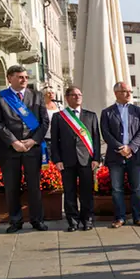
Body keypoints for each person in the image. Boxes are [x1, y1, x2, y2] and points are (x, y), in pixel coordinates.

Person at [0, 65, 50, 233]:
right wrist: (14, 142)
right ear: (9, 78)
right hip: (10, 149)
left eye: (25, 77)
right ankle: (15, 221)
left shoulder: (36, 95)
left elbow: (44, 121)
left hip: (32, 148)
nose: (24, 80)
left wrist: (33, 140)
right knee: (12, 187)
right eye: (20, 77)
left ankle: (37, 219)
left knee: (34, 186)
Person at [51, 86, 100, 232]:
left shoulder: (90, 116)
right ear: (67, 98)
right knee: (69, 191)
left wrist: (96, 158)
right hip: (67, 160)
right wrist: (57, 160)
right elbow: (55, 141)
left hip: (86, 160)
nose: (77, 97)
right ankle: (72, 221)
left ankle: (87, 219)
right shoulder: (59, 117)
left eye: (79, 94)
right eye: (74, 95)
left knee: (86, 192)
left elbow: (96, 138)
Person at [101, 81, 140, 228]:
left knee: (137, 188)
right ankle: (120, 217)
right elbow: (106, 133)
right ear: (116, 93)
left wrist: (131, 148)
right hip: (116, 156)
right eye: (125, 91)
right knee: (117, 188)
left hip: (135, 155)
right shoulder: (107, 112)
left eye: (130, 92)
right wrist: (121, 147)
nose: (128, 94)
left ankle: (137, 217)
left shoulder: (138, 111)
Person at [43, 86, 61, 163]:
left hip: (58, 137)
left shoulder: (59, 106)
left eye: (53, 93)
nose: (51, 94)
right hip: (45, 137)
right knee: (47, 160)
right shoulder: (41, 106)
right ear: (44, 94)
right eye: (49, 93)